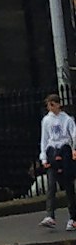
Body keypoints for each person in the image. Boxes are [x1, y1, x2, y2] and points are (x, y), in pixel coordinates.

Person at [38, 92, 76, 229]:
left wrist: (74, 150)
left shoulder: (67, 119)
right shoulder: (46, 120)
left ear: (58, 104)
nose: (50, 108)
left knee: (68, 185)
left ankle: (73, 218)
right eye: (48, 105)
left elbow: (73, 135)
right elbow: (44, 139)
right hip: (52, 151)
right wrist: (43, 157)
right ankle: (50, 215)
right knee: (51, 185)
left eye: (52, 104)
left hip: (64, 150)